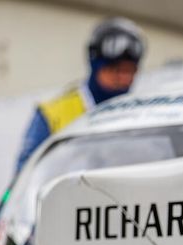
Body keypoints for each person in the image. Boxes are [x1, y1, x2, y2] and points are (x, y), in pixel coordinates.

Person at [14, 17, 145, 171]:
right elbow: (25, 174)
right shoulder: (52, 114)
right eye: (116, 70)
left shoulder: (140, 113)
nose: (125, 79)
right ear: (95, 65)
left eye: (131, 71)